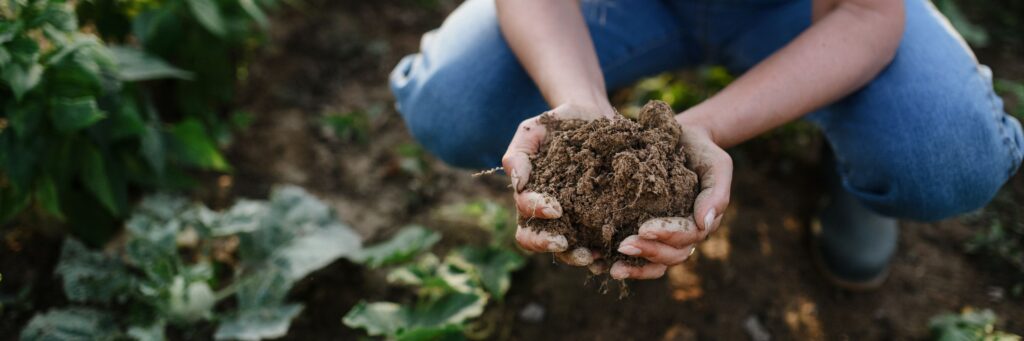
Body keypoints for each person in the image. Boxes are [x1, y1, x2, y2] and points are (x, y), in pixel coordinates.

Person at [388, 0, 1024, 289]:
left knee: (946, 157)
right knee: (456, 107)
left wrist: (704, 128)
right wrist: (580, 108)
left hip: (805, 12)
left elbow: (865, 14)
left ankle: (859, 168)